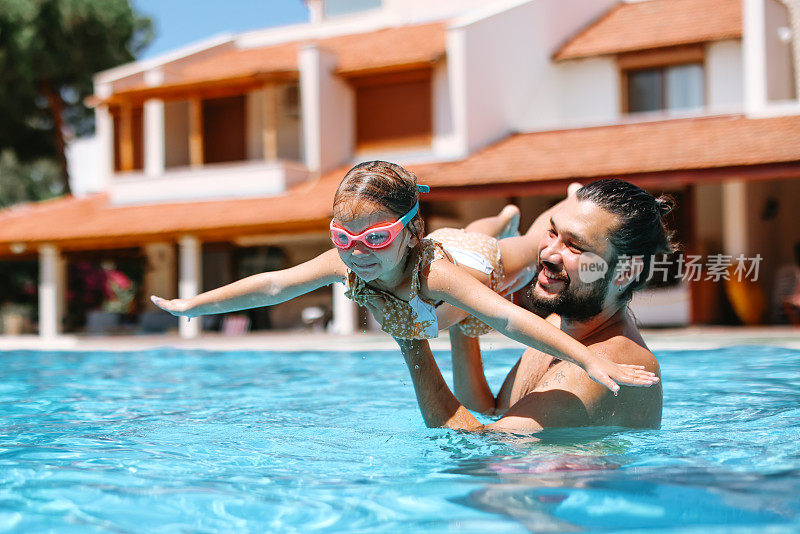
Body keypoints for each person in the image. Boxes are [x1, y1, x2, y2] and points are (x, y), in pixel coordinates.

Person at [152, 161, 659, 393]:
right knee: (482, 229)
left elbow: (508, 318)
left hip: (477, 264)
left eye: (375, 239)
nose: (358, 254)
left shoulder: (436, 279)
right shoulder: (345, 262)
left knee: (524, 248)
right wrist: (193, 306)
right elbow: (272, 284)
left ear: (410, 233)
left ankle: (570, 201)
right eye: (343, 238)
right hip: (452, 242)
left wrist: (587, 359)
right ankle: (503, 216)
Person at [396, 178, 673, 432]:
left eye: (575, 246)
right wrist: (466, 302)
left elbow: (479, 453)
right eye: (552, 232)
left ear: (625, 272)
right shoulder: (558, 324)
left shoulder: (608, 368)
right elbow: (490, 411)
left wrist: (409, 336)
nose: (548, 254)